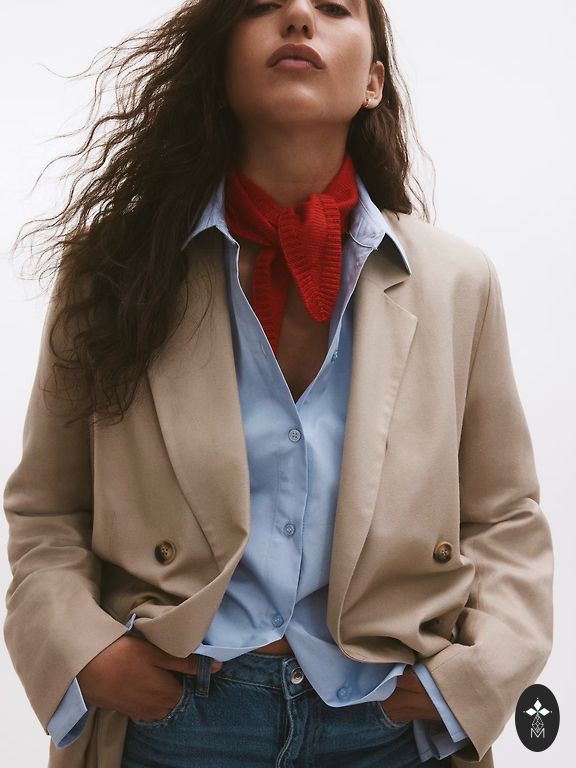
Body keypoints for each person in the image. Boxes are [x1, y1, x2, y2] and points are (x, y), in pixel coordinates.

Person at [3, 1, 553, 767]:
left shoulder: (458, 281)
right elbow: (48, 510)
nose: (298, 15)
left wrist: (472, 679)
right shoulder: (115, 267)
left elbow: (504, 517)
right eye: (264, 5)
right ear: (221, 65)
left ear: (373, 82)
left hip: (388, 731)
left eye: (334, 7)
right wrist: (84, 652)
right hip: (172, 729)